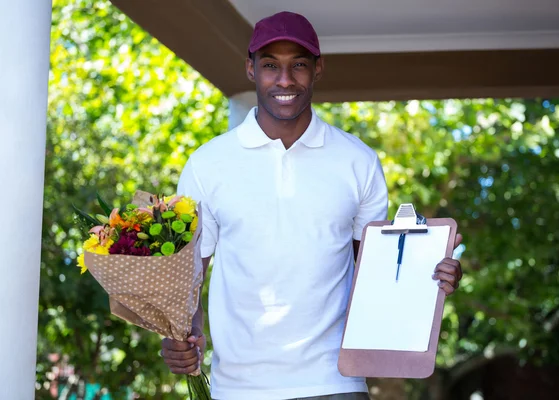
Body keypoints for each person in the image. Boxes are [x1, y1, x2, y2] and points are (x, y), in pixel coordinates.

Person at [161, 11, 463, 400]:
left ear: (318, 69)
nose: (284, 80)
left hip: (334, 381)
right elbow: (190, 275)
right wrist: (186, 335)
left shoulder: (358, 161)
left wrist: (430, 278)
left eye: (298, 65)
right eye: (271, 66)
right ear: (250, 70)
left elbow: (378, 275)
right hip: (238, 388)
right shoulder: (208, 164)